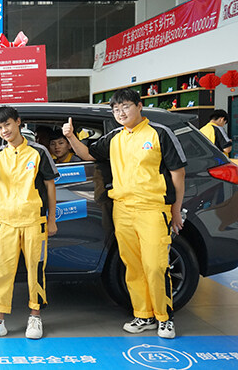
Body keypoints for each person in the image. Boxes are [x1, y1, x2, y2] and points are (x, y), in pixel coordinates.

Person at [62, 88, 186, 339]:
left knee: (156, 265)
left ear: (139, 106)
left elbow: (178, 174)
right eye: (116, 109)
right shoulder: (115, 137)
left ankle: (164, 318)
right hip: (123, 210)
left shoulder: (160, 133)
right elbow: (88, 153)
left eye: (125, 107)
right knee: (133, 265)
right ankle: (143, 315)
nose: (120, 113)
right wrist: (71, 136)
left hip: (153, 209)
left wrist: (175, 210)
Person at [0, 106, 58, 340]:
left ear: (18, 122)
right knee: (3, 271)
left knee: (35, 270)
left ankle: (35, 316)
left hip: (34, 221)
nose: (4, 130)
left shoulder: (38, 152)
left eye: (7, 124)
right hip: (6, 223)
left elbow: (50, 185)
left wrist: (51, 219)